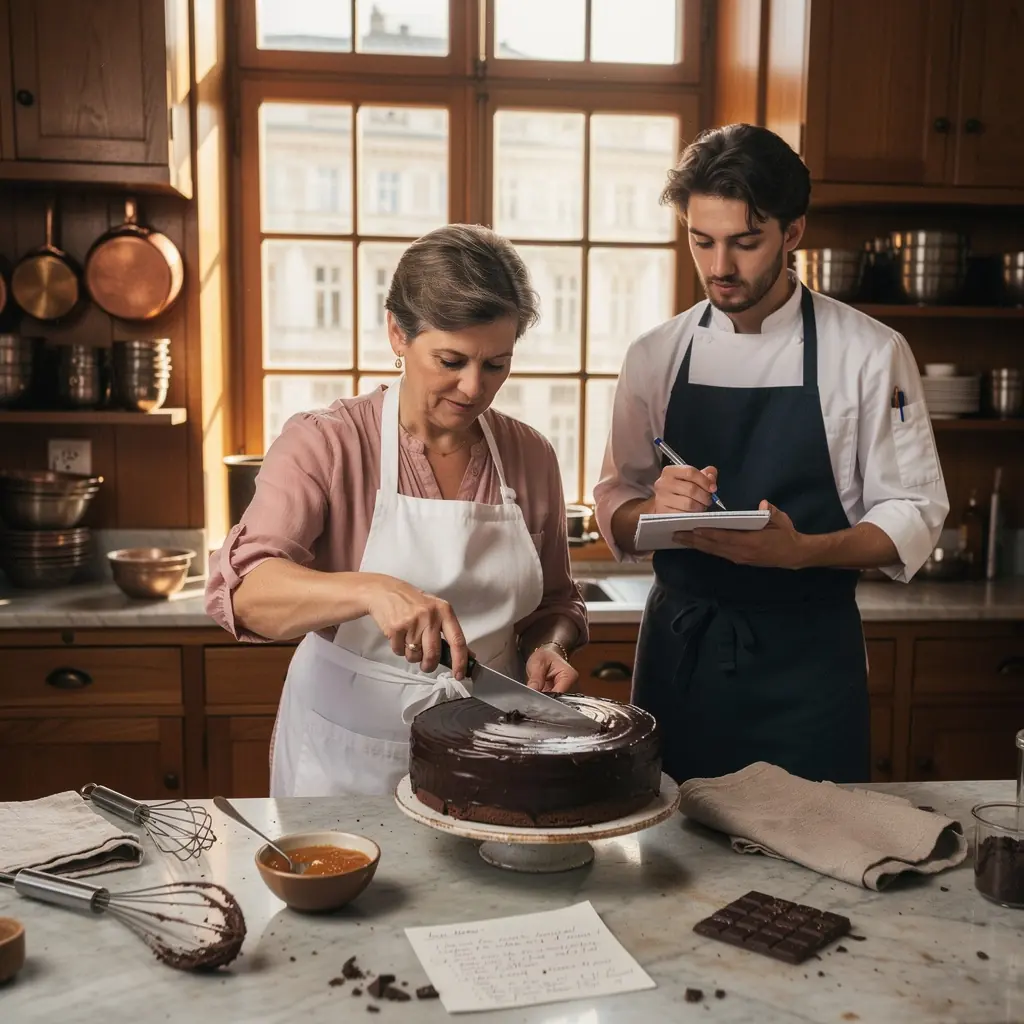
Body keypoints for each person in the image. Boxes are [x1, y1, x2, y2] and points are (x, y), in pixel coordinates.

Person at [593, 125, 948, 785]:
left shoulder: (870, 353)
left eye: (744, 242)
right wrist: (652, 508)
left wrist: (803, 551)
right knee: (674, 856)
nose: (720, 266)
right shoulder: (655, 356)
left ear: (793, 233)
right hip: (682, 653)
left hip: (809, 660)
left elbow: (915, 513)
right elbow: (612, 506)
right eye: (702, 241)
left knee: (817, 857)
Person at [207, 224, 587, 797]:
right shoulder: (327, 443)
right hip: (346, 759)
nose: (472, 387)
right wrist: (370, 590)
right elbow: (244, 595)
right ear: (397, 333)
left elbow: (557, 600)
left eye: (496, 365)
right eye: (451, 360)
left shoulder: (530, 455)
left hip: (490, 747)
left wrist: (549, 646)